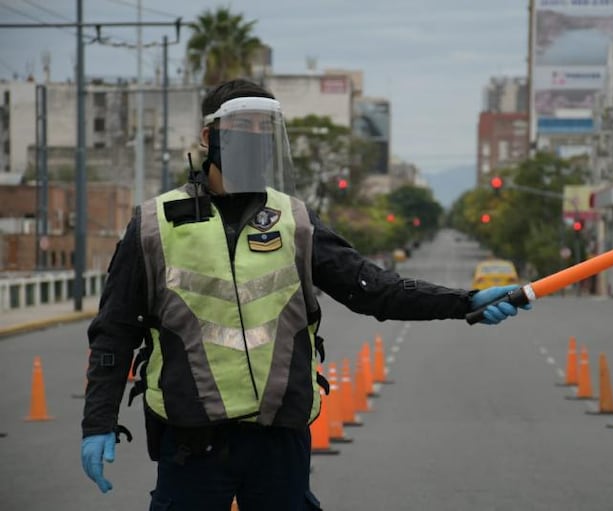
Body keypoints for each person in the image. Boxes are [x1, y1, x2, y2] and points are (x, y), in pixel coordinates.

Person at [80, 79, 530, 511]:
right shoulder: (155, 224)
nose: (255, 141)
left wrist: (464, 301)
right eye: (243, 129)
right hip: (192, 445)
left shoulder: (294, 221)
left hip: (280, 441)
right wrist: (98, 422)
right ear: (208, 136)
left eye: (265, 131)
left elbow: (373, 289)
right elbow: (114, 332)